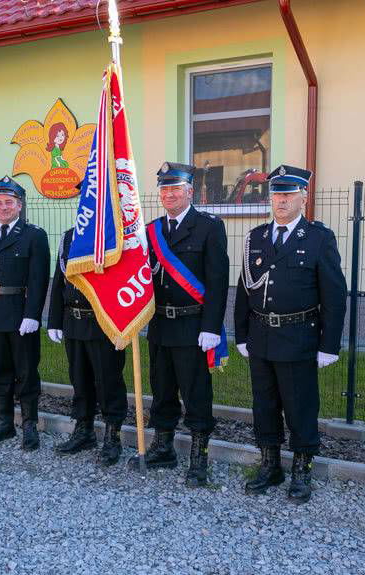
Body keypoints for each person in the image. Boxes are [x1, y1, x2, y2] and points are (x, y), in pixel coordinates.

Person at [234, 164, 347, 504]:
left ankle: (301, 468)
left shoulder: (318, 238)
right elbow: (243, 290)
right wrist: (241, 334)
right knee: (264, 404)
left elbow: (334, 294)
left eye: (288, 193)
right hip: (261, 335)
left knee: (299, 405)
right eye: (276, 193)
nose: (281, 201)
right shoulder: (255, 238)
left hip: (299, 335)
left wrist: (329, 343)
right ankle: (270, 465)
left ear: (304, 197)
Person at [135, 161, 228, 487]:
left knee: (196, 393)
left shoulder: (209, 227)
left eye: (176, 188)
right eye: (165, 188)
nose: (170, 194)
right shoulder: (151, 230)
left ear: (191, 191)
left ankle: (198, 458)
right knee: (161, 391)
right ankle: (164, 448)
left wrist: (211, 327)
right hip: (160, 326)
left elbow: (217, 281)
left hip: (193, 328)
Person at [0, 176, 50, 451]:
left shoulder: (34, 235)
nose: (3, 207)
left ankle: (29, 425)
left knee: (26, 372)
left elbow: (39, 280)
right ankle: (3, 423)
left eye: (8, 202)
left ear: (19, 205)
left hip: (20, 314)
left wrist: (33, 315)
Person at [47, 227, 127, 466]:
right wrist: (54, 320)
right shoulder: (70, 235)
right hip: (73, 321)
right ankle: (85, 431)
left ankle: (113, 437)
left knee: (108, 381)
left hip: (104, 322)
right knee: (79, 380)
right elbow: (60, 280)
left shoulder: (117, 233)